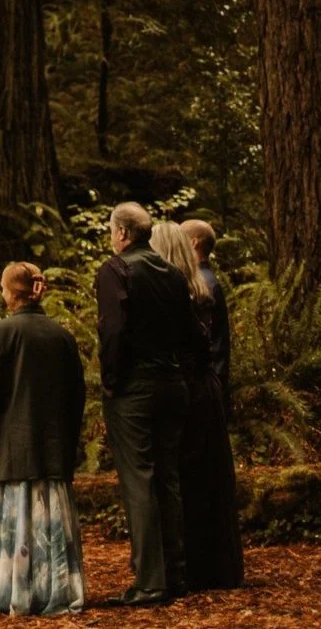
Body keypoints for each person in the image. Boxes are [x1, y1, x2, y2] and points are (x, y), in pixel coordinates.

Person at [0, 263, 87, 615]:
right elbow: (76, 396)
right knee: (50, 525)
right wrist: (68, 443)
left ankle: (8, 592)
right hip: (52, 450)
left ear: (11, 292)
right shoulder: (62, 336)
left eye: (2, 287)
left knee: (13, 525)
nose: (1, 293)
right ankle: (55, 590)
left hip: (11, 452)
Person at [97, 202, 206, 605]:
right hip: (172, 383)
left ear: (123, 234)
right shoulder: (174, 274)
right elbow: (192, 333)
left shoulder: (116, 270)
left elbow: (113, 333)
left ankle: (149, 581)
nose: (112, 238)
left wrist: (111, 383)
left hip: (135, 388)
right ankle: (175, 573)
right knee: (168, 477)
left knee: (139, 480)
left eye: (112, 231)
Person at [150, 221, 245, 590]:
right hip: (206, 390)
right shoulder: (202, 284)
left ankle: (193, 564)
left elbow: (210, 348)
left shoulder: (194, 287)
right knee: (207, 479)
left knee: (190, 477)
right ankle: (210, 564)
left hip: (193, 388)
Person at [182, 219, 232, 415]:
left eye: (181, 238)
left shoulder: (202, 284)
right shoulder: (203, 279)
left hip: (203, 381)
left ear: (194, 242)